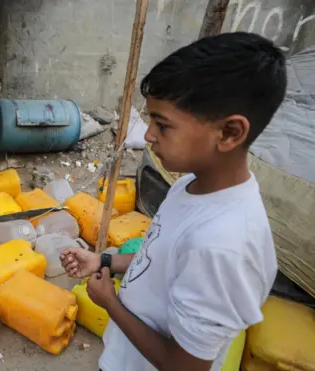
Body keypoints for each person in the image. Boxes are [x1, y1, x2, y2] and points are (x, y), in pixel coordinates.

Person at [61, 32, 286, 371]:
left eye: (163, 125)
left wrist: (110, 302)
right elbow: (159, 257)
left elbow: (185, 366)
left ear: (229, 133)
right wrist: (103, 261)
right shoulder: (191, 186)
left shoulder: (224, 248)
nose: (149, 135)